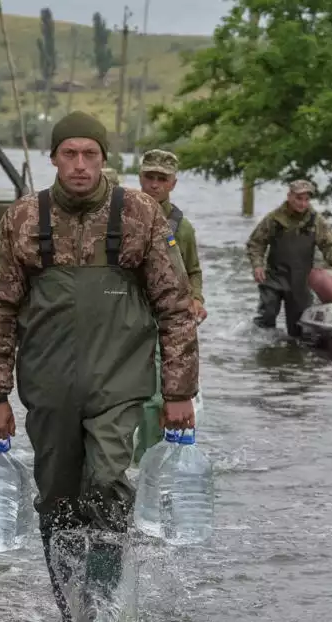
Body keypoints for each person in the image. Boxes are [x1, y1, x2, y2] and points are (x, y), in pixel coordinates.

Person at [0, 111, 199, 622]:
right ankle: (68, 611)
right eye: (69, 154)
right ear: (54, 158)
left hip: (119, 383)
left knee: (107, 483)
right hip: (48, 386)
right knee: (56, 496)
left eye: (91, 154)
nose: (80, 165)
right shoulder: (23, 218)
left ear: (105, 159)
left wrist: (178, 392)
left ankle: (101, 611)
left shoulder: (141, 213)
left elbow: (175, 305)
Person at [133, 148, 206, 464]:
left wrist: (197, 298)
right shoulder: (121, 214)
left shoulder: (181, 227)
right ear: (140, 178)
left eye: (161, 179)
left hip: (161, 320)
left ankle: (146, 461)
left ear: (172, 183)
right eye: (149, 177)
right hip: (124, 316)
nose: (154, 184)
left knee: (156, 396)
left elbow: (193, 270)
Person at [247, 180, 332, 337]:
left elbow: (330, 246)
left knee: (299, 330)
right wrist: (257, 265)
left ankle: (293, 357)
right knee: (267, 315)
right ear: (289, 197)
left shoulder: (316, 221)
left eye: (306, 199)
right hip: (275, 277)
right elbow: (256, 243)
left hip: (301, 280)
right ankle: (261, 351)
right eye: (298, 199)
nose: (302, 203)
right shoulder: (274, 219)